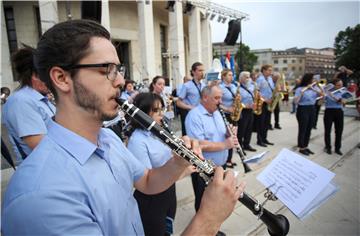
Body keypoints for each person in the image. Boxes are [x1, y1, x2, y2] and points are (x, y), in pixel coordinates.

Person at [2, 19, 245, 235]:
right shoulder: (41, 197)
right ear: (62, 78)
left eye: (118, 69)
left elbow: (148, 181)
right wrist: (208, 220)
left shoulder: (107, 138)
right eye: (106, 69)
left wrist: (178, 162)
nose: (119, 81)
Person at [127, 92, 194, 235]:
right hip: (151, 199)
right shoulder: (137, 141)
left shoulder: (159, 132)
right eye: (156, 111)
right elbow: (147, 180)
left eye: (161, 109)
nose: (161, 115)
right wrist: (184, 170)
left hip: (169, 191)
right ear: (143, 113)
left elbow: (168, 158)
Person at [185, 85, 239, 235]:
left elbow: (221, 135)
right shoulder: (194, 116)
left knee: (215, 201)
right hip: (203, 167)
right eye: (216, 98)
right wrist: (225, 144)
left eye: (220, 97)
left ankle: (212, 229)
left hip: (219, 165)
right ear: (204, 98)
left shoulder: (217, 113)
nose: (220, 101)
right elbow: (198, 144)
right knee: (203, 202)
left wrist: (229, 133)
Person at [2, 45, 55, 163]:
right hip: (43, 172)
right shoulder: (21, 102)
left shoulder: (38, 99)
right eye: (49, 74)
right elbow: (42, 147)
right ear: (35, 76)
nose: (53, 80)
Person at [294, 73, 324, 156]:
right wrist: (301, 94)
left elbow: (321, 96)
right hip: (303, 109)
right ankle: (301, 147)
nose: (314, 81)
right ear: (308, 79)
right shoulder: (300, 89)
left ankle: (306, 146)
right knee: (303, 129)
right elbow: (296, 102)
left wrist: (314, 89)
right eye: (312, 79)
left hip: (312, 108)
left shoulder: (314, 89)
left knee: (309, 129)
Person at [176, 62, 205, 135]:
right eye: (200, 70)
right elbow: (178, 102)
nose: (202, 72)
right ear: (193, 72)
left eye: (203, 70)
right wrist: (190, 107)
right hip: (190, 115)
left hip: (201, 115)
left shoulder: (204, 85)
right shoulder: (186, 86)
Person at [219, 68, 238, 168]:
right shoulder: (220, 88)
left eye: (232, 75)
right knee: (227, 136)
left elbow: (237, 97)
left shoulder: (233, 86)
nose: (232, 77)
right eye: (229, 75)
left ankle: (230, 158)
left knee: (233, 136)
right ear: (223, 76)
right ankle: (225, 160)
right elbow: (218, 103)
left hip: (234, 114)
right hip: (225, 114)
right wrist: (227, 109)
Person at [323, 78, 346, 155]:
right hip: (329, 111)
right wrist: (323, 95)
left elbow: (343, 102)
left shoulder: (343, 90)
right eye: (338, 85)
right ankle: (328, 147)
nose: (340, 86)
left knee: (339, 131)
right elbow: (321, 101)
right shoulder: (327, 91)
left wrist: (334, 97)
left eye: (341, 85)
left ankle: (337, 148)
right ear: (334, 85)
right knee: (327, 131)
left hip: (339, 111)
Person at [237, 71, 257, 152]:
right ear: (241, 78)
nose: (248, 78)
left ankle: (247, 144)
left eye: (249, 76)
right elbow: (236, 100)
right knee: (242, 129)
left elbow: (254, 96)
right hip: (243, 110)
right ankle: (240, 146)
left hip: (250, 110)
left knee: (249, 128)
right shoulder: (237, 88)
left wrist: (254, 103)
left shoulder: (251, 86)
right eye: (246, 77)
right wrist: (245, 105)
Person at [255, 64, 274, 147]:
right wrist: (265, 99)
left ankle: (264, 138)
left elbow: (272, 89)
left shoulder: (270, 79)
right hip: (262, 103)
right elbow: (256, 92)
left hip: (269, 103)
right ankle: (259, 140)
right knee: (261, 122)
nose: (271, 72)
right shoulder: (260, 79)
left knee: (267, 122)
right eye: (269, 70)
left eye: (271, 70)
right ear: (264, 70)